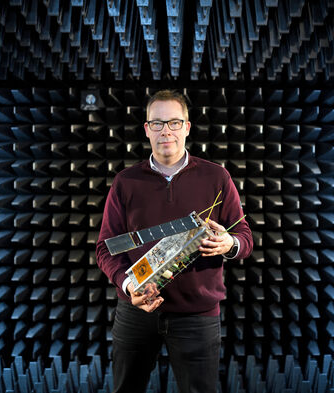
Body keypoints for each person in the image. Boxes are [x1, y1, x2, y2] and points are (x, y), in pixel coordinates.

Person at [96, 89, 253, 393]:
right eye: (157, 123)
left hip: (197, 316)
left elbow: (244, 237)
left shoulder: (217, 178)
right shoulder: (125, 182)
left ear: (187, 127)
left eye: (174, 122)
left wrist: (228, 244)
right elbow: (106, 248)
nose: (165, 130)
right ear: (146, 129)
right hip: (136, 311)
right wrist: (130, 286)